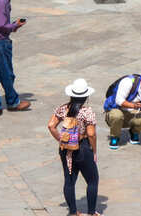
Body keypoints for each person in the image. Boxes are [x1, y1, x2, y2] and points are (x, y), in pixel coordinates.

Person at [47, 79, 99, 216]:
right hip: (82, 148)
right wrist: (94, 150)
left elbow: (51, 126)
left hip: (65, 149)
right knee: (92, 180)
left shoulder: (63, 108)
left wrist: (62, 140)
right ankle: (92, 213)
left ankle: (73, 212)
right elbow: (91, 133)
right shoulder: (87, 112)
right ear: (86, 96)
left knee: (69, 181)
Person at [103, 74, 141, 149]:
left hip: (131, 113)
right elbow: (119, 101)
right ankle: (115, 137)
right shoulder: (128, 82)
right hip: (116, 109)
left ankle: (134, 132)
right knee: (117, 116)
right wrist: (133, 105)